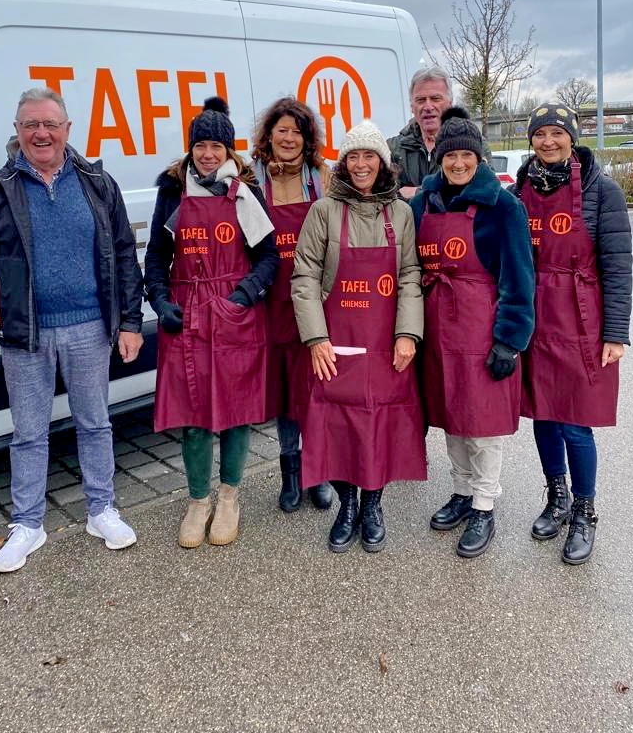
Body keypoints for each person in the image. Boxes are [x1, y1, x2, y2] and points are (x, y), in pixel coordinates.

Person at [0, 87, 144, 573]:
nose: (41, 133)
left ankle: (101, 510)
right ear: (17, 131)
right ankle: (28, 524)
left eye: (50, 124)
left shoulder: (96, 183)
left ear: (67, 129)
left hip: (89, 327)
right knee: (29, 433)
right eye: (30, 125)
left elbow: (124, 253)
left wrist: (130, 321)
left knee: (95, 423)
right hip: (26, 334)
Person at [144, 97, 279, 549]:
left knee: (235, 412)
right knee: (194, 415)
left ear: (228, 150)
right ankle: (198, 500)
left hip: (234, 313)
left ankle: (229, 498)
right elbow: (156, 256)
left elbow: (268, 257)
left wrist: (244, 296)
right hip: (187, 314)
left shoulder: (244, 191)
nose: (207, 154)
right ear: (190, 148)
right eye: (200, 146)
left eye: (215, 147)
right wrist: (159, 299)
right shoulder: (172, 190)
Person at [291, 121, 425, 553]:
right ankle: (347, 505)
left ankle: (372, 505)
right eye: (354, 156)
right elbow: (304, 278)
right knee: (337, 425)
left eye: (370, 156)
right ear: (344, 163)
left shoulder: (401, 213)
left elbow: (410, 276)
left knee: (381, 423)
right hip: (336, 343)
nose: (361, 164)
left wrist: (408, 333)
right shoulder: (324, 211)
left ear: (382, 163)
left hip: (386, 343)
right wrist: (316, 339)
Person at [410, 107, 535, 558]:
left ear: (479, 158)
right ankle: (462, 491)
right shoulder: (422, 203)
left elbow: (519, 278)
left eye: (467, 155)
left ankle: (484, 504)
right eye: (450, 156)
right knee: (452, 417)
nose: (458, 163)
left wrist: (510, 340)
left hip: (483, 330)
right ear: (439, 159)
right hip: (437, 330)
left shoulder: (503, 207)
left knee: (481, 425)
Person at [511, 103, 632, 564]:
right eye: (540, 134)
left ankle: (585, 510)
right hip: (535, 319)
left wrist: (615, 332)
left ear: (572, 138)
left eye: (557, 133)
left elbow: (618, 266)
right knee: (543, 415)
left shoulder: (603, 191)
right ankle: (556, 496)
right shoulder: (520, 189)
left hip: (582, 321)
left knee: (576, 422)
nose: (548, 141)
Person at [251, 97, 334, 513]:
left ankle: (319, 472)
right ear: (269, 136)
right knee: (285, 394)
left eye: (296, 132)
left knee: (317, 389)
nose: (289, 138)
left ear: (308, 138)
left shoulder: (321, 176)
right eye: (281, 130)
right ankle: (290, 471)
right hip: (273, 302)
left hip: (316, 301)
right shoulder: (251, 179)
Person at [387, 66, 490, 199]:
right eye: (420, 100)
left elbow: (484, 189)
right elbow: (382, 194)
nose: (428, 107)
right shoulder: (394, 148)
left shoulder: (473, 143)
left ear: (450, 103)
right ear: (412, 107)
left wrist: (419, 192)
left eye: (435, 99)